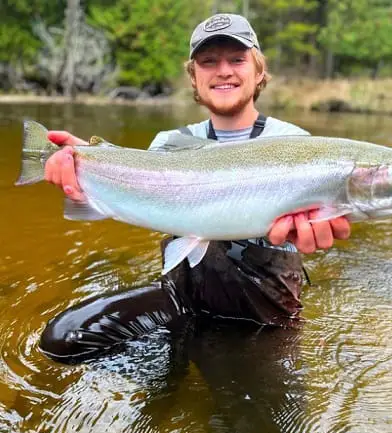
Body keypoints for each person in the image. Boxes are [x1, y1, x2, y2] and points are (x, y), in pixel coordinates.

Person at [39, 14, 351, 364]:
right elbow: (133, 184)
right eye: (208, 62)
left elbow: (316, 224)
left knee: (262, 418)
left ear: (259, 71)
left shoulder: (296, 144)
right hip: (181, 300)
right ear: (194, 76)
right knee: (62, 340)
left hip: (264, 314)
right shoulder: (170, 144)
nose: (223, 70)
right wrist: (87, 161)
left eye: (237, 59)